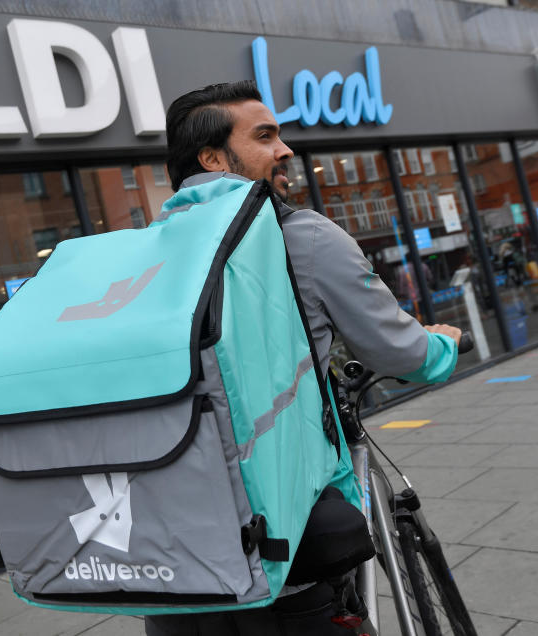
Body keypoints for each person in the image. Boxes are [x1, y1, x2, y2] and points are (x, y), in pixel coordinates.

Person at [147, 81, 461, 635]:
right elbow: (402, 352)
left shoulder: (147, 250)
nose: (285, 149)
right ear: (214, 158)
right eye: (265, 136)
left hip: (172, 562)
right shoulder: (302, 236)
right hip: (283, 551)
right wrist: (444, 343)